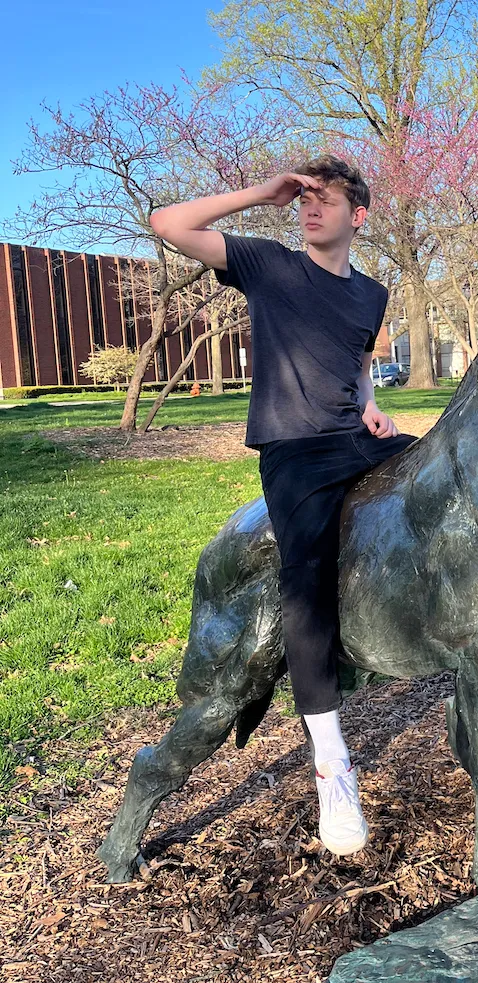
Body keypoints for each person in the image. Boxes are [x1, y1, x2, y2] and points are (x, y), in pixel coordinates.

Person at [150, 155, 415, 857]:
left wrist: (373, 407)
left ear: (358, 217)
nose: (310, 207)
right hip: (296, 453)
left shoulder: (373, 294)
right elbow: (166, 223)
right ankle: (332, 764)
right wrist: (261, 192)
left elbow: (358, 364)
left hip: (355, 437)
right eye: (305, 199)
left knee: (446, 476)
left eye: (326, 200)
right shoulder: (268, 265)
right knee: (305, 587)